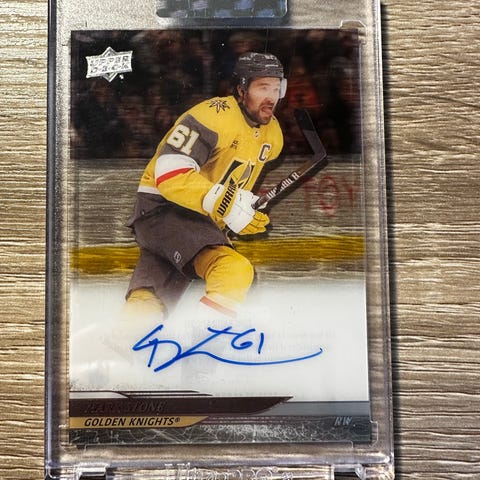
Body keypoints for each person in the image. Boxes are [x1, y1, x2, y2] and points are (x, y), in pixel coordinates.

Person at [125, 52, 285, 322]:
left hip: (191, 218)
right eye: (263, 87)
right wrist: (227, 204)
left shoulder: (273, 136)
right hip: (166, 209)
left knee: (148, 302)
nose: (271, 96)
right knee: (233, 270)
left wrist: (239, 210)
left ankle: (122, 341)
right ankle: (206, 340)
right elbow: (170, 172)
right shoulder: (212, 115)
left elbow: (230, 184)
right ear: (241, 90)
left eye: (277, 88)